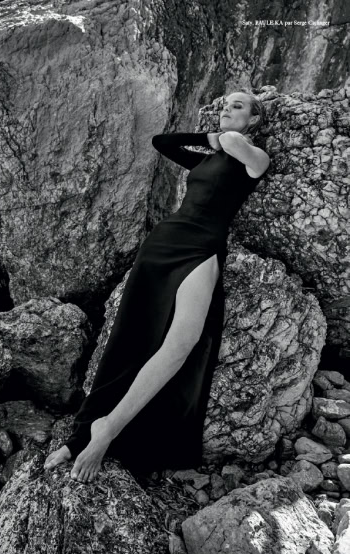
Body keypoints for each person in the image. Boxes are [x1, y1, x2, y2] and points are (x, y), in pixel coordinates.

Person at [43, 90, 270, 483]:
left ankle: (110, 427)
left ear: (254, 119)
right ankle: (80, 436)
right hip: (164, 243)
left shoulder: (254, 158)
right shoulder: (209, 158)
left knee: (181, 344)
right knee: (128, 339)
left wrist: (223, 137)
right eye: (223, 104)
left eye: (237, 105)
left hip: (202, 248)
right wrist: (207, 140)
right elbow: (160, 143)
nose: (225, 110)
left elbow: (235, 143)